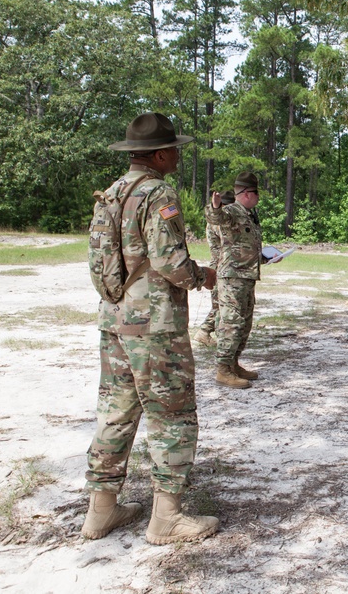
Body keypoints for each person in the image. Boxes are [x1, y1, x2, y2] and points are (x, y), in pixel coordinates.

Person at [82, 112, 219, 544]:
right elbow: (169, 262)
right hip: (155, 326)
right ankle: (166, 519)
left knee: (116, 410)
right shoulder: (158, 193)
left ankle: (100, 512)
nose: (177, 154)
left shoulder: (114, 192)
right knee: (172, 412)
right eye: (174, 148)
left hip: (115, 319)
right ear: (159, 155)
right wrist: (202, 276)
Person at [206, 172, 263, 389]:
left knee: (244, 324)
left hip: (246, 276)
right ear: (247, 193)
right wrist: (215, 207)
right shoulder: (231, 211)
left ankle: (233, 364)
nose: (258, 197)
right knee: (231, 323)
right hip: (232, 278)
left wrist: (263, 257)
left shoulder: (249, 214)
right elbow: (217, 219)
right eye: (256, 192)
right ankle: (223, 370)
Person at [194, 190, 235, 347]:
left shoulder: (216, 221)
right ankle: (208, 333)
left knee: (220, 305)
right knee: (220, 306)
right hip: (220, 266)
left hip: (220, 265)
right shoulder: (218, 222)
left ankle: (205, 332)